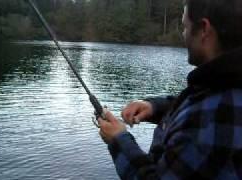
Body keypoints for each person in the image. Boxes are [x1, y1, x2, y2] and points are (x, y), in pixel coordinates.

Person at [98, 0, 242, 179]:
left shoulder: (210, 119)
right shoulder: (225, 87)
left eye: (185, 26)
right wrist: (154, 107)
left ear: (204, 29)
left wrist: (118, 141)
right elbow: (200, 101)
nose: (184, 34)